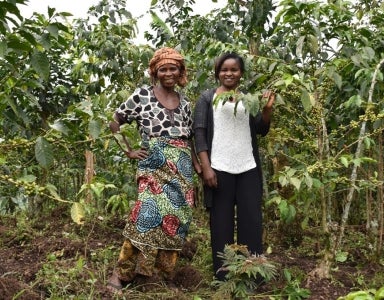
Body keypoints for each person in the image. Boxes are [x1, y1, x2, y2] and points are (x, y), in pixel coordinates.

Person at [107, 47, 201, 293]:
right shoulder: (142, 96)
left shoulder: (186, 103)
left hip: (182, 170)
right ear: (155, 72)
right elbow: (114, 122)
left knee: (177, 222)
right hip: (153, 166)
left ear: (180, 71)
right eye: (163, 69)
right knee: (145, 218)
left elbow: (188, 139)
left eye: (173, 68)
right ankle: (121, 274)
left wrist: (197, 164)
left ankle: (162, 275)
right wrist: (128, 150)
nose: (168, 73)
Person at [193, 52, 275, 281]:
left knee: (251, 221)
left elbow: (261, 129)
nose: (229, 74)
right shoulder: (207, 98)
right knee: (221, 224)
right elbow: (199, 133)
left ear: (241, 73)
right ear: (217, 72)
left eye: (234, 70)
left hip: (247, 167)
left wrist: (267, 110)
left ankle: (253, 274)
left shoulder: (248, 98)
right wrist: (206, 168)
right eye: (224, 70)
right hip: (219, 169)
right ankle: (224, 276)